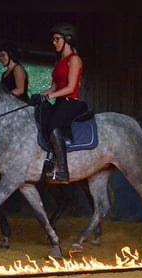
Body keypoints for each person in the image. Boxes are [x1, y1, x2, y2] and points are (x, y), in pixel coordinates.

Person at [30, 22, 88, 184]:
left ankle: (62, 170)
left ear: (68, 39)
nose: (54, 42)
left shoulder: (75, 59)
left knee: (53, 124)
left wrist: (48, 97)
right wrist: (38, 96)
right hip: (60, 101)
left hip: (71, 102)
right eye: (53, 40)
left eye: (57, 39)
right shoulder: (58, 62)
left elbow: (70, 87)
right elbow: (54, 87)